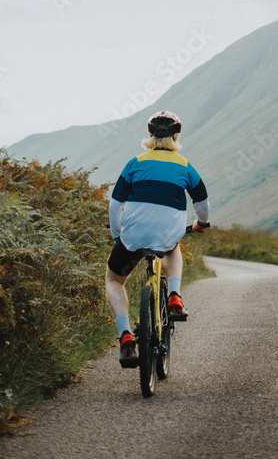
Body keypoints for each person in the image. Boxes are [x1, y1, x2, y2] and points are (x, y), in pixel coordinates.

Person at [105, 110, 210, 367]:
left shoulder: (135, 163)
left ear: (149, 134)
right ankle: (174, 295)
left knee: (113, 280)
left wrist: (119, 237)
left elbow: (115, 205)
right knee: (173, 247)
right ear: (176, 135)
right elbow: (202, 202)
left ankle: (126, 337)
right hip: (167, 234)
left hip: (133, 236)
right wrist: (201, 223)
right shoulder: (185, 165)